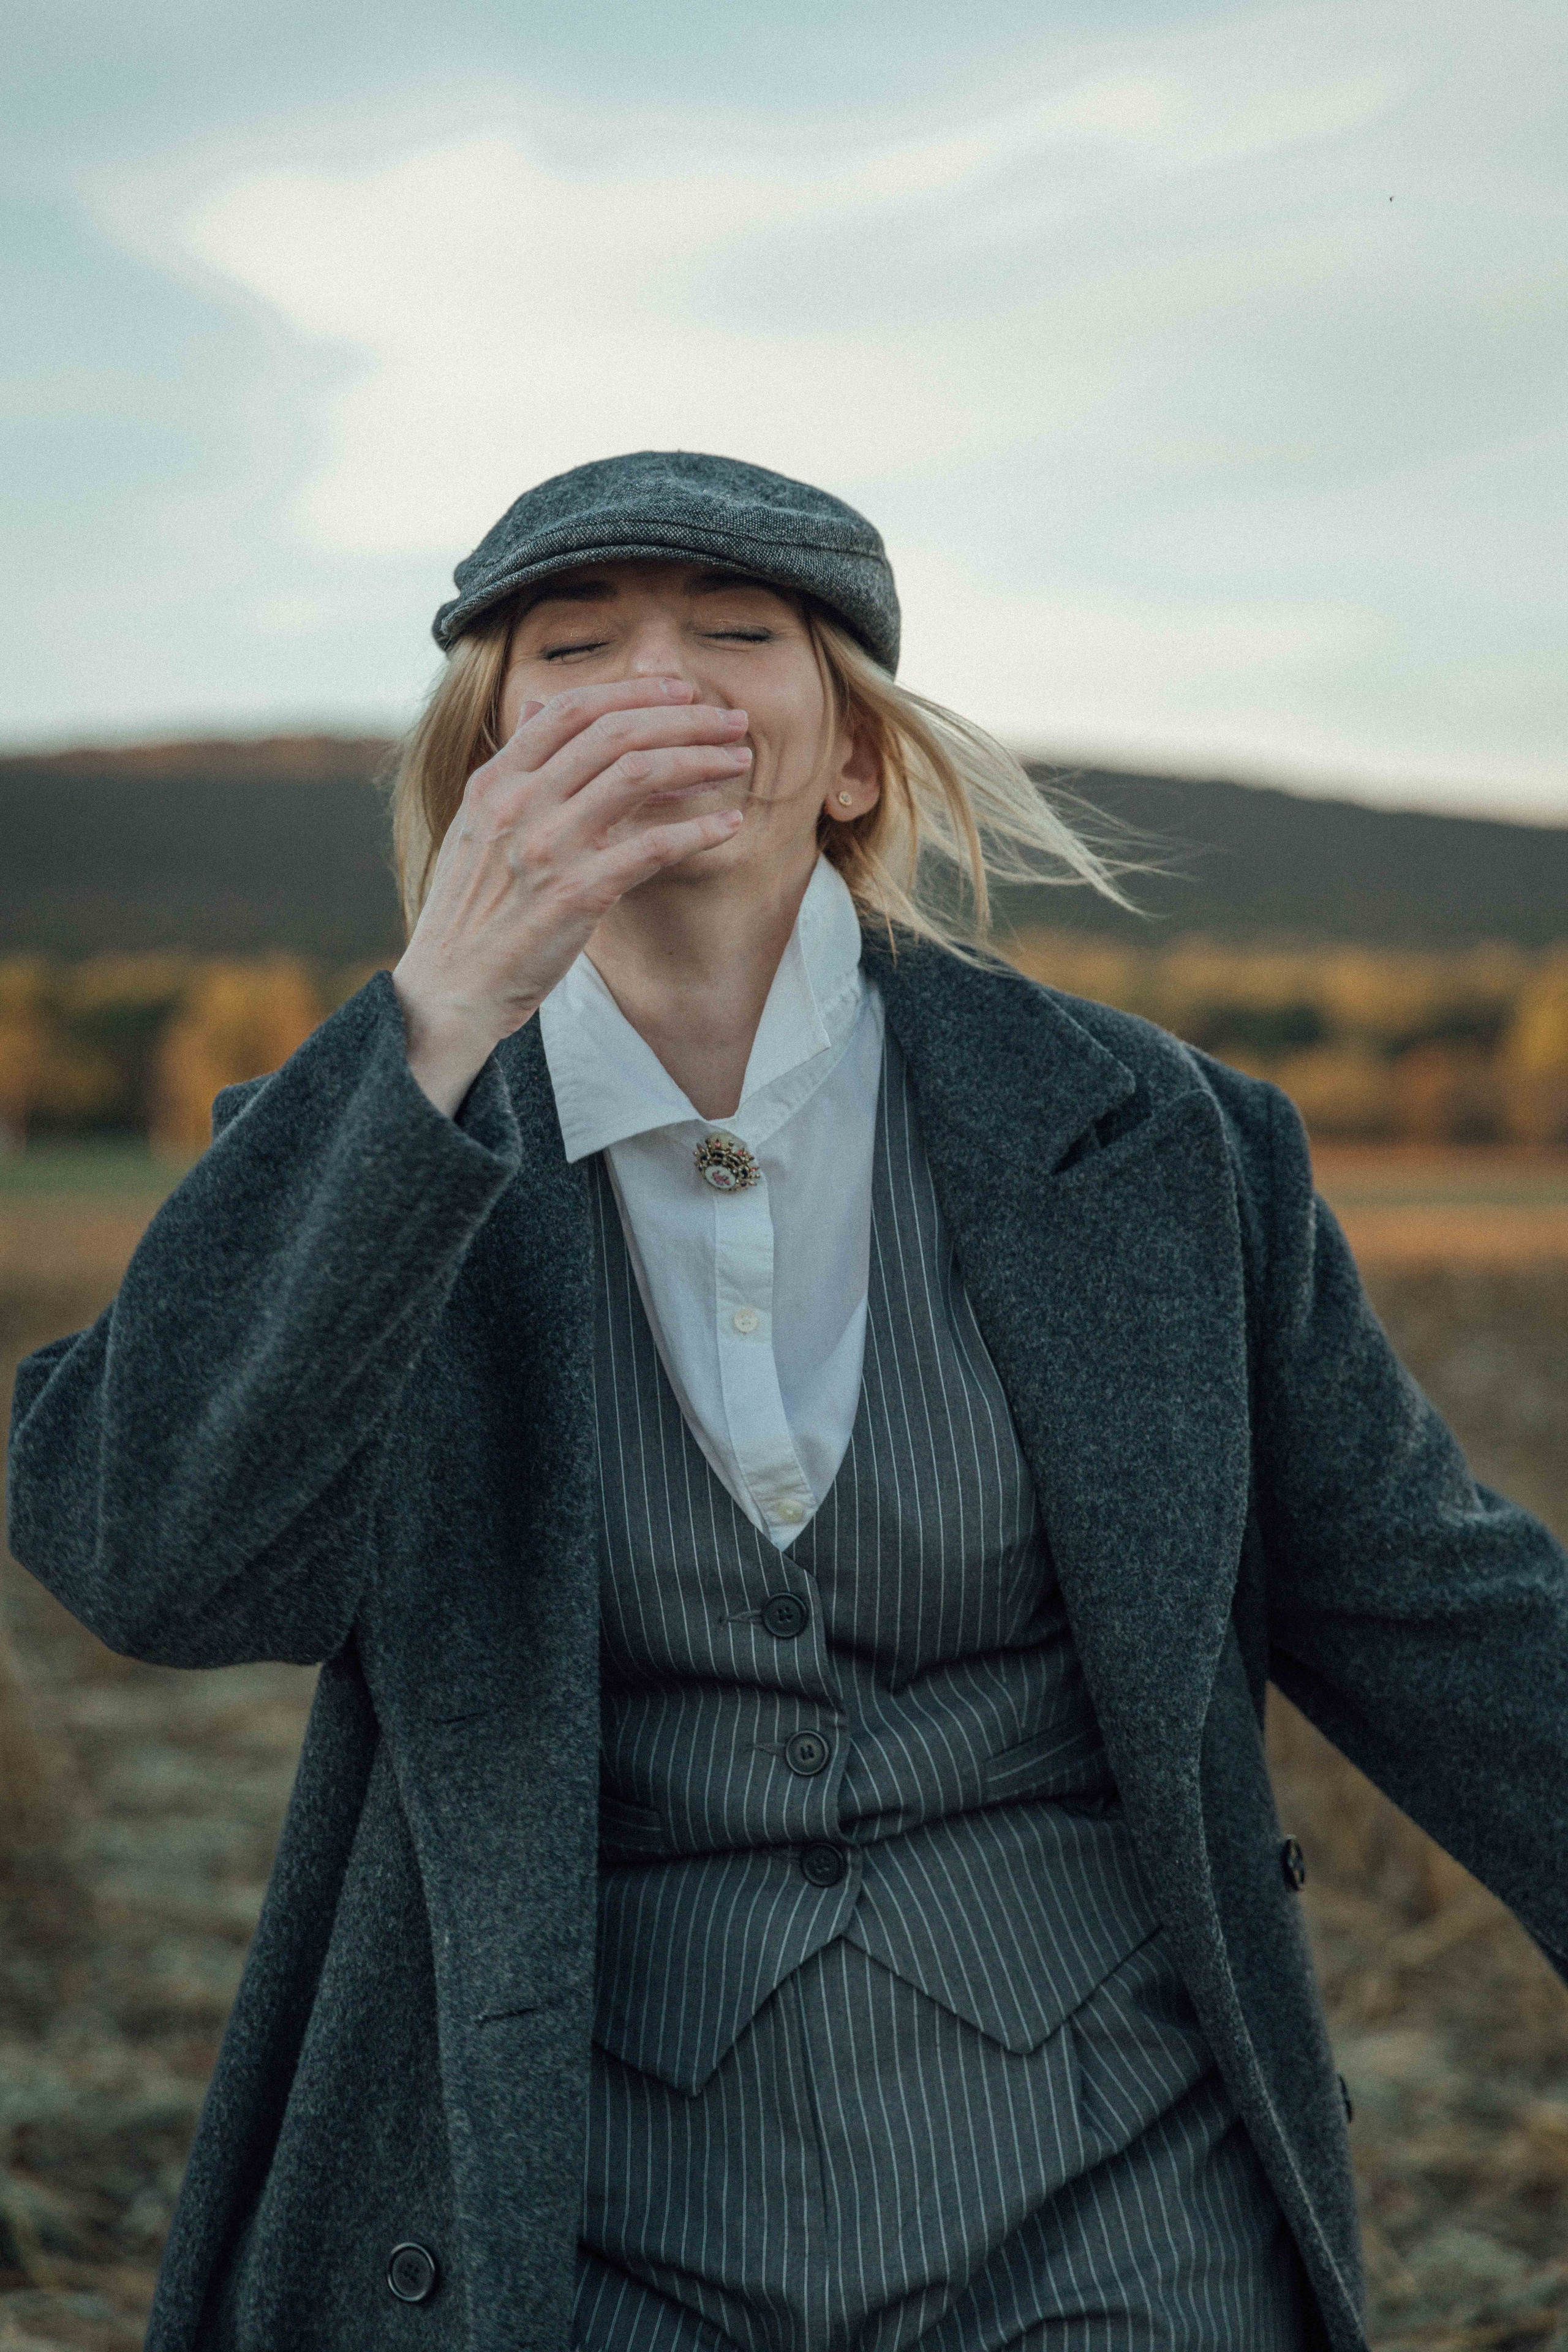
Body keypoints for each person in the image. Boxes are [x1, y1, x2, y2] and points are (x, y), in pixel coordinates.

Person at [7, 451, 1567, 2352]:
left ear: (850, 761)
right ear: (486, 769)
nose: (657, 683)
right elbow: (157, 1563)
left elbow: (1438, 1609)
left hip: (1114, 2186)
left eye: (737, 635)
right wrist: (439, 1016)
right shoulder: (354, 1155)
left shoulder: (1165, 1146)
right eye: (574, 649)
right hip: (566, 2214)